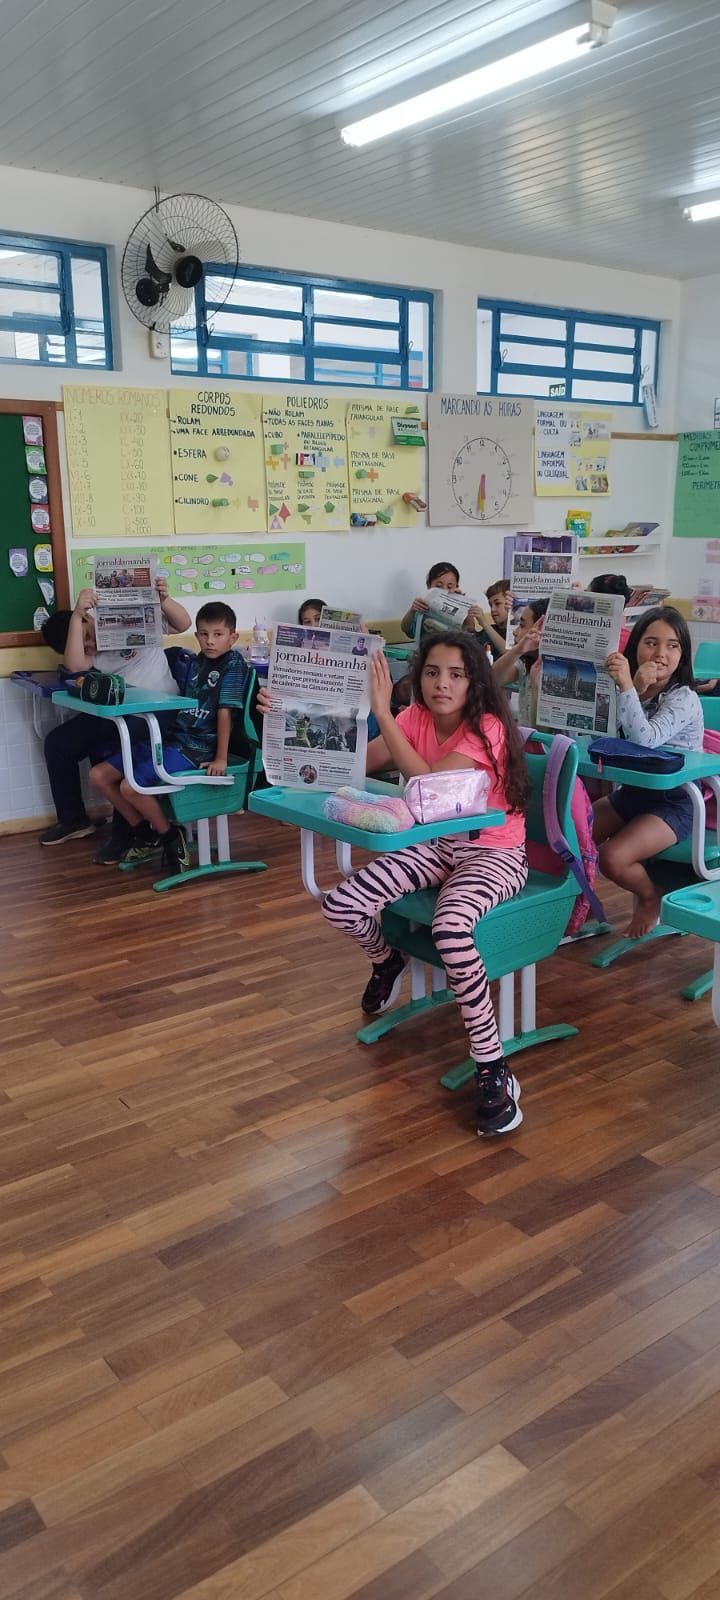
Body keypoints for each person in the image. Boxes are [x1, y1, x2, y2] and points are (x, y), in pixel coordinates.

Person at [322, 632, 530, 1138]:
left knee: (451, 927)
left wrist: (384, 714)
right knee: (342, 904)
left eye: (457, 674)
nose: (442, 684)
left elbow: (429, 788)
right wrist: (293, 718)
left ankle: (493, 1066)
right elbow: (352, 761)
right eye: (433, 672)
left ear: (474, 681)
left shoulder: (488, 728)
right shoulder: (414, 719)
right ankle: (386, 959)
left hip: (494, 850)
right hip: (437, 847)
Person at [39, 578, 192, 860]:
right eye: (83, 644)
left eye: (88, 634)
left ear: (91, 618)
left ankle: (128, 833)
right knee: (59, 742)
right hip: (119, 714)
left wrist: (163, 600)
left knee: (111, 751)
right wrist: (76, 616)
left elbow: (184, 624)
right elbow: (74, 666)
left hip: (157, 712)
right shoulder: (88, 651)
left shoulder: (134, 620)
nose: (91, 644)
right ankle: (74, 820)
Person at [90, 602, 248, 873]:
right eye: (203, 634)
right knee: (99, 775)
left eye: (218, 634)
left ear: (233, 637)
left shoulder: (233, 664)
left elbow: (225, 714)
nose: (210, 641)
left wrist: (220, 757)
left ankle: (171, 837)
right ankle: (145, 833)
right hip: (175, 739)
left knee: (131, 786)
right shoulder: (199, 660)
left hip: (196, 749)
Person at [594, 606, 704, 939]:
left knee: (611, 858)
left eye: (672, 645)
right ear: (635, 648)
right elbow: (602, 736)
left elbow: (646, 740)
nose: (661, 654)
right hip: (633, 794)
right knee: (573, 832)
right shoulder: (632, 686)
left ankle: (649, 895)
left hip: (676, 802)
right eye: (651, 642)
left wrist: (629, 687)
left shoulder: (684, 698)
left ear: (682, 654)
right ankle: (576, 904)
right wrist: (634, 689)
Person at [492, 597, 550, 725]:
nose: (515, 631)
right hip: (526, 741)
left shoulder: (553, 670)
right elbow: (492, 677)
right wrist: (518, 650)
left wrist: (536, 689)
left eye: (522, 625)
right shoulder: (525, 663)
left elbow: (543, 731)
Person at [400, 562, 483, 643]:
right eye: (439, 586)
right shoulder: (423, 605)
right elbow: (406, 629)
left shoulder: (461, 607)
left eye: (449, 587)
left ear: (456, 587)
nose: (444, 590)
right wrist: (412, 610)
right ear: (429, 585)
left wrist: (464, 607)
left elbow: (470, 630)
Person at [475, 579, 512, 660]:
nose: (492, 609)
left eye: (497, 603)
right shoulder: (487, 631)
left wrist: (484, 623)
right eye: (490, 605)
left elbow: (511, 654)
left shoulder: (518, 633)